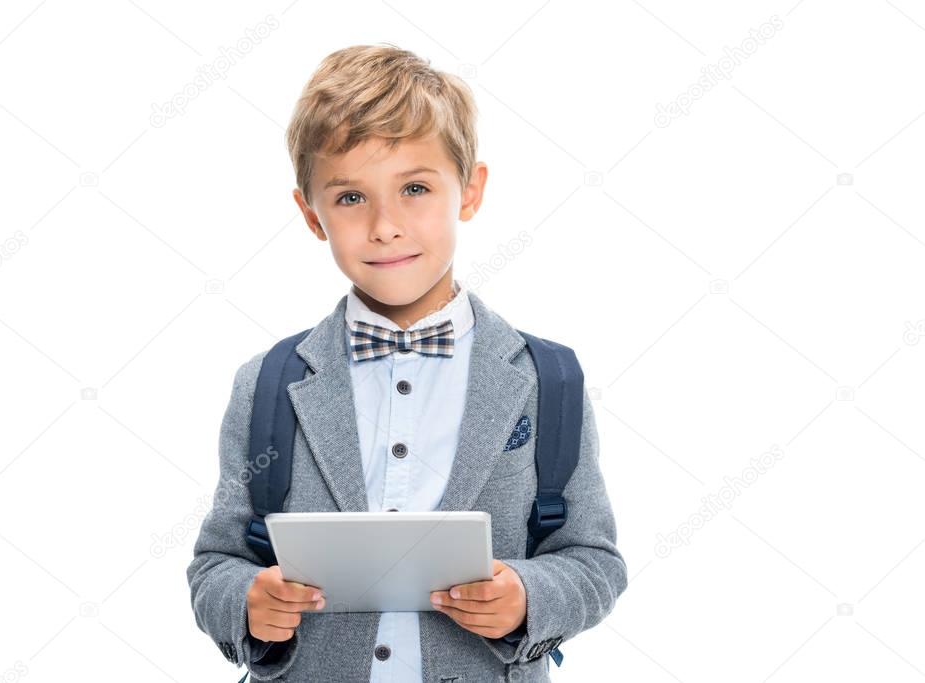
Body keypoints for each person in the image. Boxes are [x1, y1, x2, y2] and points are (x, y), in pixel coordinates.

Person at [186, 43, 627, 682]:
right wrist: (247, 604)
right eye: (349, 198)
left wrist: (528, 595)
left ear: (469, 190)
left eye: (415, 188)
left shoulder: (546, 379)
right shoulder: (268, 383)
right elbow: (216, 565)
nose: (385, 226)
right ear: (311, 214)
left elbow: (593, 561)